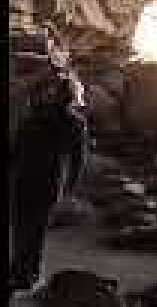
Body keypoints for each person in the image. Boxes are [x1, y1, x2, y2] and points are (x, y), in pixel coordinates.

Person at [8, 64, 89, 294]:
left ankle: (22, 272)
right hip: (48, 180)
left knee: (23, 227)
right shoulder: (74, 123)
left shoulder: (34, 119)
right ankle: (27, 273)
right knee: (34, 229)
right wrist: (70, 187)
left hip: (26, 178)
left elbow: (14, 151)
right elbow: (77, 160)